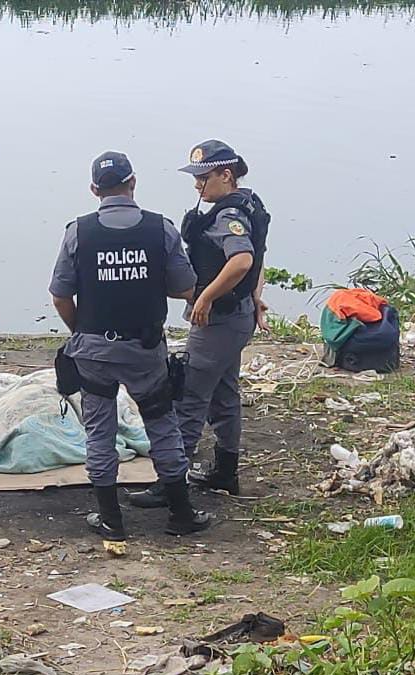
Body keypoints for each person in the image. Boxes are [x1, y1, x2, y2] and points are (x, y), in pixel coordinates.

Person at [49, 151, 212, 541]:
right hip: (144, 349)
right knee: (162, 424)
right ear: (133, 182)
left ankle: (111, 521)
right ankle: (181, 514)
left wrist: (81, 332)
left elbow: (60, 295)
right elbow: (185, 288)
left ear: (94, 190)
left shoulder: (79, 232)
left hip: (93, 352)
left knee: (99, 431)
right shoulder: (161, 229)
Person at [128, 140, 269, 508]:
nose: (197, 186)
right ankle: (226, 470)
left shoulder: (228, 215)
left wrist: (204, 298)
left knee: (189, 394)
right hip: (236, 315)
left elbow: (242, 260)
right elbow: (259, 258)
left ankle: (171, 481)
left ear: (227, 175)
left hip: (219, 319)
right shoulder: (250, 204)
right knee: (223, 393)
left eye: (203, 178)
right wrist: (255, 298)